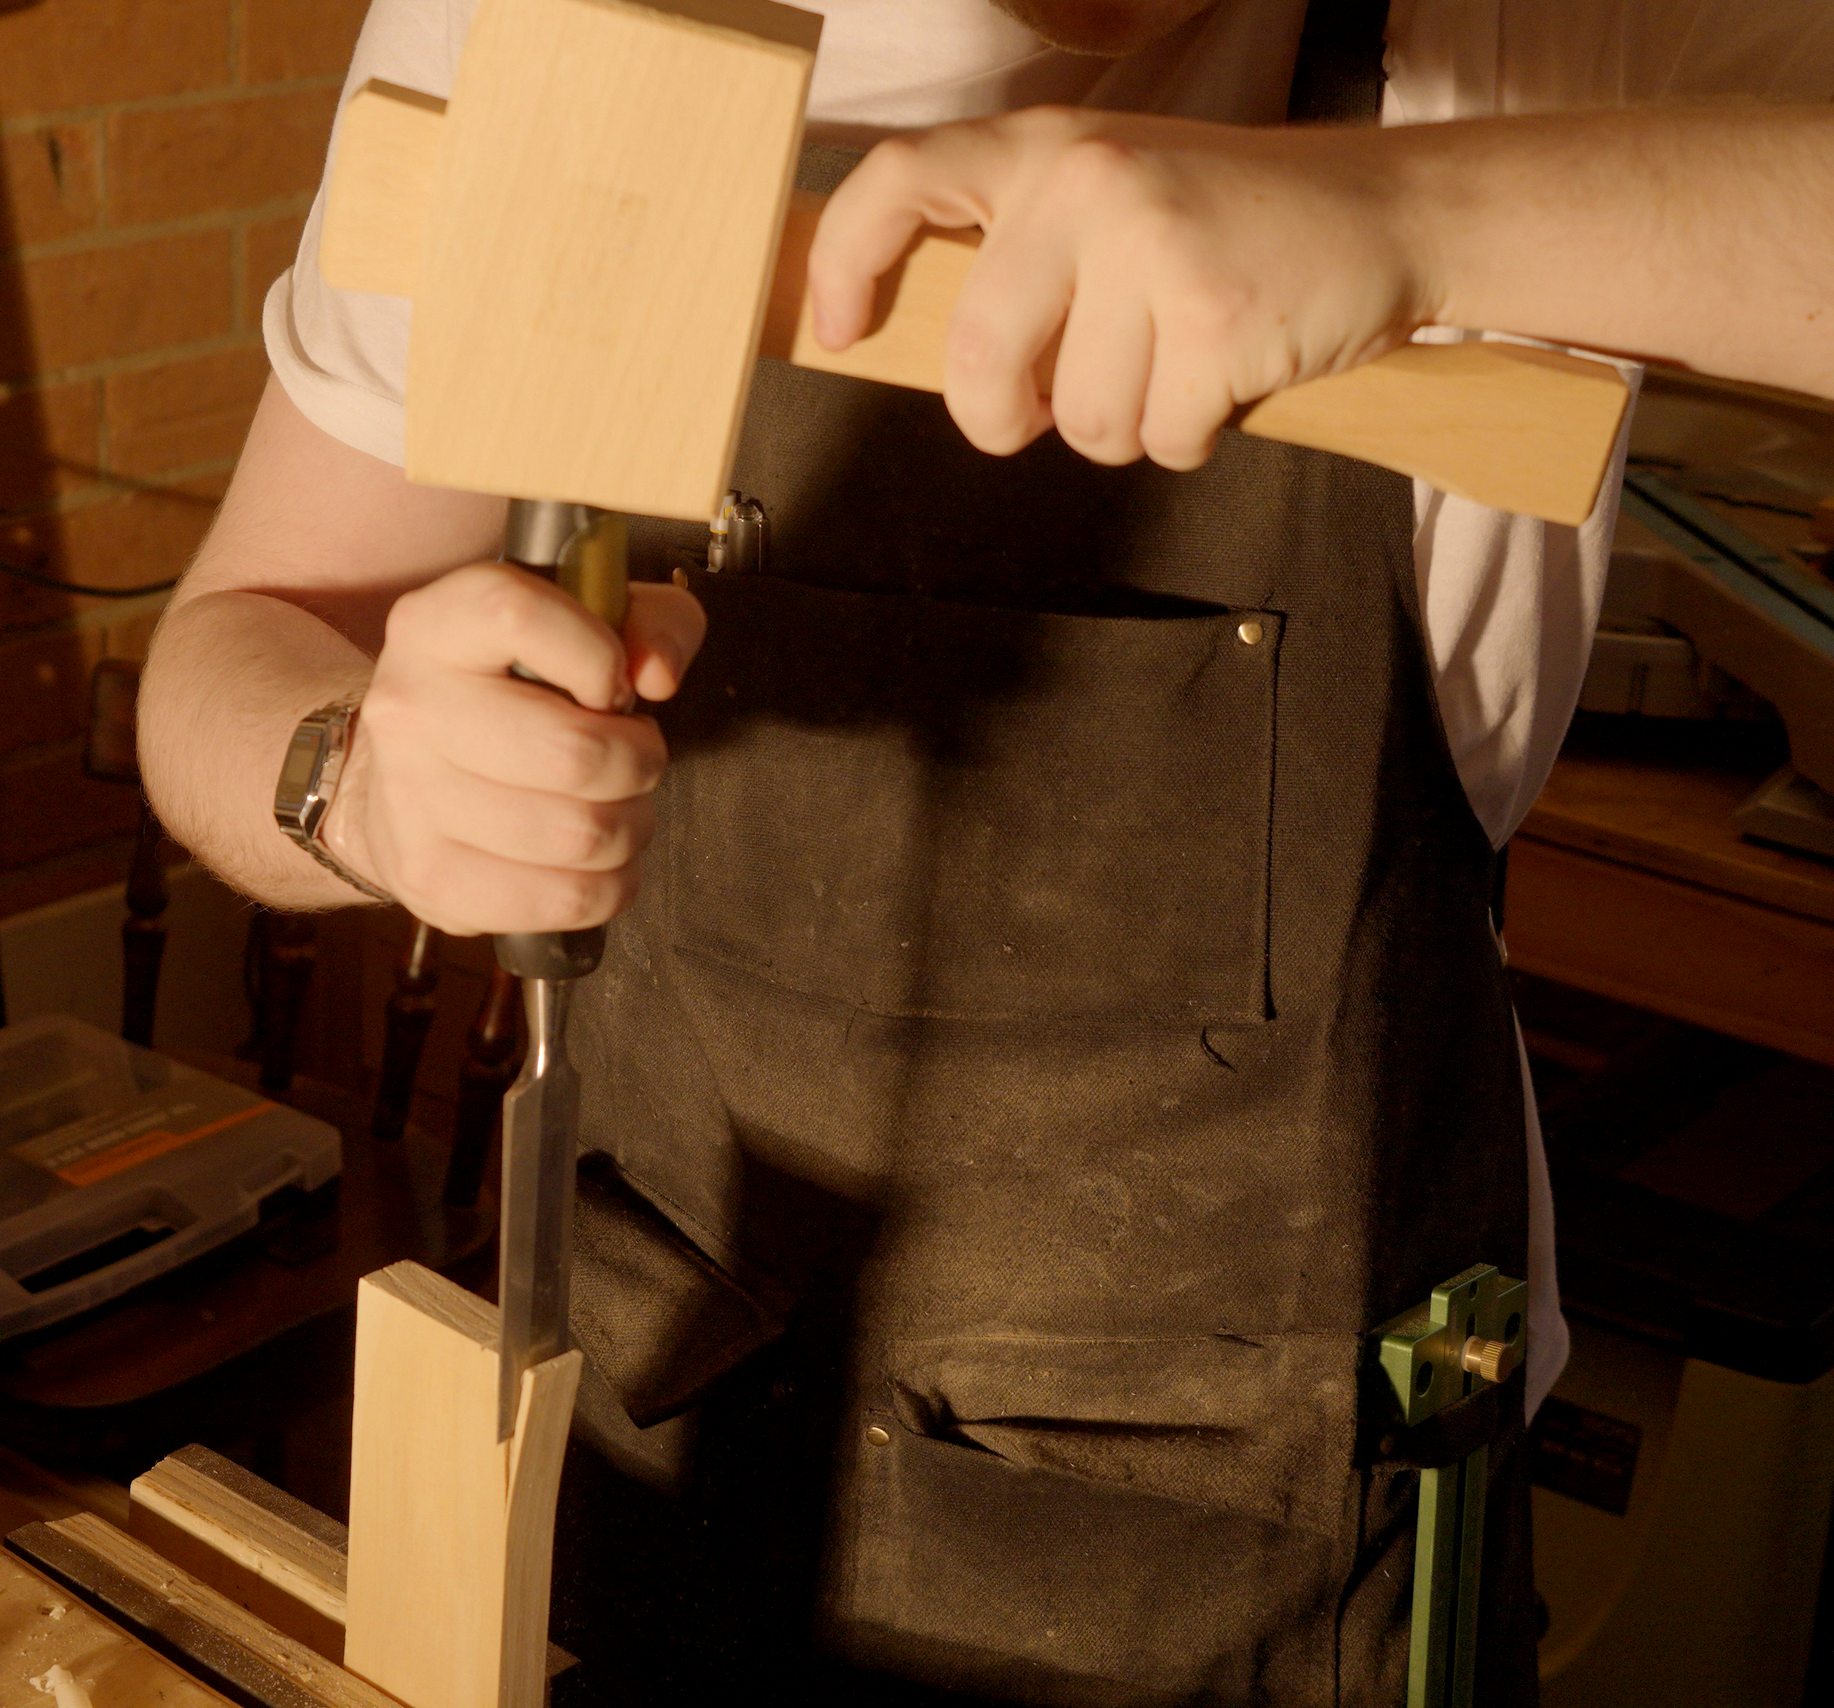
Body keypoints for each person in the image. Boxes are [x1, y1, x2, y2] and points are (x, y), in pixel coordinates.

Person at [136, 0, 1834, 1699]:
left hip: (1258, 1566)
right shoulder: (532, 22)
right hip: (662, 1449)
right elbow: (235, 642)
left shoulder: (1508, 36)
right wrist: (350, 777)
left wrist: (1419, 217)